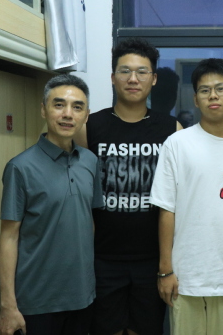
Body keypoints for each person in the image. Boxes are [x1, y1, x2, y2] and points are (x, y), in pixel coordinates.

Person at [75, 38, 182, 335]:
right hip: (102, 258)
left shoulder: (171, 130)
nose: (133, 79)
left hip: (152, 260)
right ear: (113, 77)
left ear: (154, 79)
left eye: (141, 72)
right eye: (125, 71)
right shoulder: (89, 127)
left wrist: (166, 265)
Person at [0, 74, 103, 335]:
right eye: (59, 105)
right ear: (44, 110)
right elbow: (9, 237)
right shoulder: (20, 167)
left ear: (86, 115)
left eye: (77, 107)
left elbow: (88, 222)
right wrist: (8, 305)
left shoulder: (90, 162)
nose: (68, 114)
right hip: (36, 302)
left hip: (82, 298)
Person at [151, 58, 223, 335]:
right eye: (205, 90)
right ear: (195, 99)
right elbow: (166, 209)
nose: (213, 96)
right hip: (186, 279)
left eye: (220, 88)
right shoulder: (177, 144)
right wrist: (165, 270)